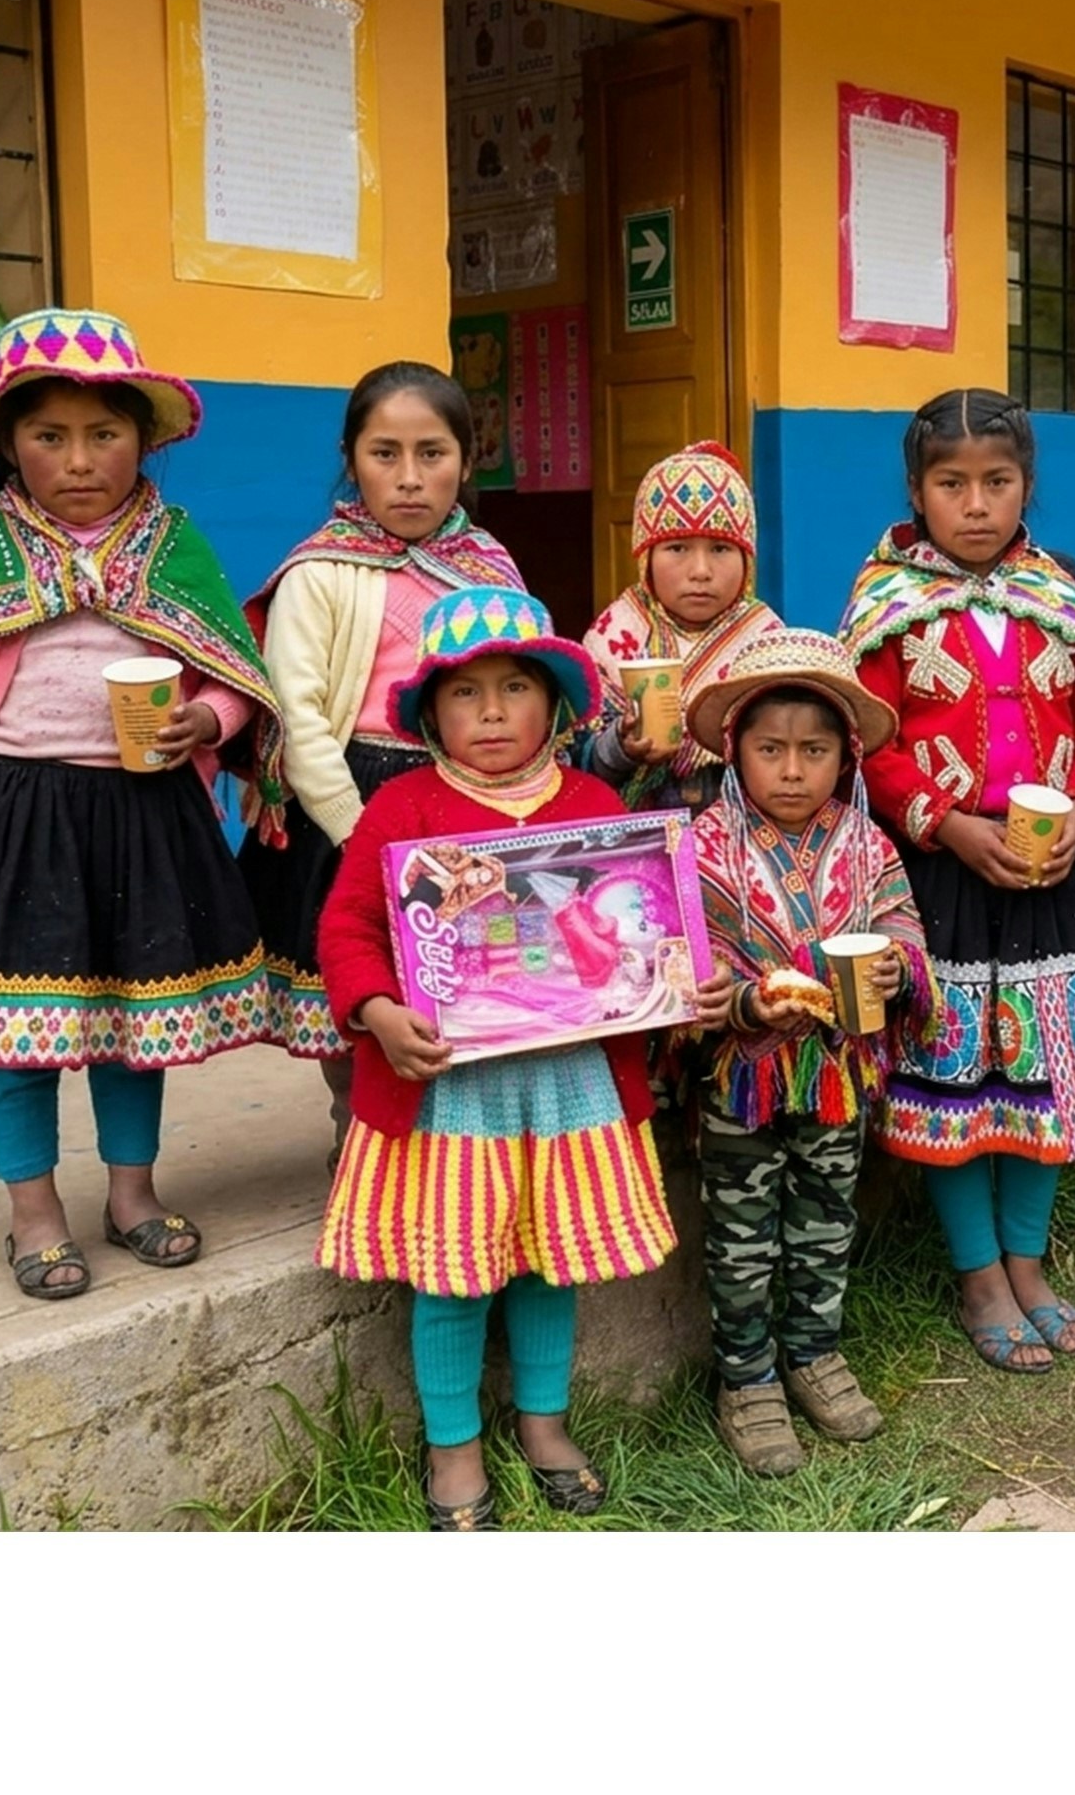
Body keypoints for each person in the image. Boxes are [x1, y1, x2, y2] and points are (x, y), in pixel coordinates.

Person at [0, 309, 282, 1300]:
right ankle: (32, 1211)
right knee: (22, 1033)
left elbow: (231, 674)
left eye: (103, 434)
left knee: (133, 1028)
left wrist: (207, 724)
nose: (79, 460)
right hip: (13, 820)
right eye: (48, 437)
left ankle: (132, 1193)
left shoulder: (173, 545)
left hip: (144, 820)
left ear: (142, 437)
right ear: (8, 446)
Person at [840, 387, 1075, 1374]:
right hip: (942, 886)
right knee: (961, 1081)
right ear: (917, 492)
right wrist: (947, 824)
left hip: (1059, 884)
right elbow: (869, 746)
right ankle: (977, 1274)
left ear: (1026, 486)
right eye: (952, 484)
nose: (977, 504)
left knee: (1045, 1076)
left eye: (996, 482)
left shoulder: (1055, 594)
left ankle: (1028, 1263)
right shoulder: (884, 605)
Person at [315, 584, 678, 1528]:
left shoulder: (597, 805)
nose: (488, 712)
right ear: (429, 712)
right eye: (464, 693)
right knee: (454, 1269)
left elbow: (645, 936)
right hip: (451, 1096)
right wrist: (378, 1007)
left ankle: (545, 1422)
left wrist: (682, 983)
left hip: (569, 1088)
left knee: (548, 1263)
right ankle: (453, 1446)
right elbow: (348, 927)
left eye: (513, 688)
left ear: (554, 704)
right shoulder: (403, 809)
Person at [239, 362, 523, 1132]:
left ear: (467, 460)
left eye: (432, 454)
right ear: (350, 456)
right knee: (362, 983)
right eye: (384, 454)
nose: (408, 478)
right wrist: (361, 834)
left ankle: (458, 1136)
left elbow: (524, 689)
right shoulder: (320, 572)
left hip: (465, 798)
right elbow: (296, 714)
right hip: (349, 803)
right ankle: (358, 1132)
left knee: (467, 976)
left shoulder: (489, 571)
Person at [671, 627, 928, 1476]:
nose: (791, 770)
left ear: (844, 757)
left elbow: (901, 925)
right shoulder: (702, 847)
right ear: (735, 750)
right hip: (741, 1080)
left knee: (824, 1222)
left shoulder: (866, 844)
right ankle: (746, 1379)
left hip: (838, 1079)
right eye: (771, 749)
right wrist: (742, 1002)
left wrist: (896, 965)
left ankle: (814, 1353)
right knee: (743, 1236)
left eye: (814, 751)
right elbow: (684, 963)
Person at [580, 438, 784, 813]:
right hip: (640, 837)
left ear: (747, 561)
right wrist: (621, 747)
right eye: (677, 548)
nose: (701, 571)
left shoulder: (768, 641)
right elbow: (584, 762)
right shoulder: (613, 634)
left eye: (721, 549)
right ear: (646, 560)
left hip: (738, 839)